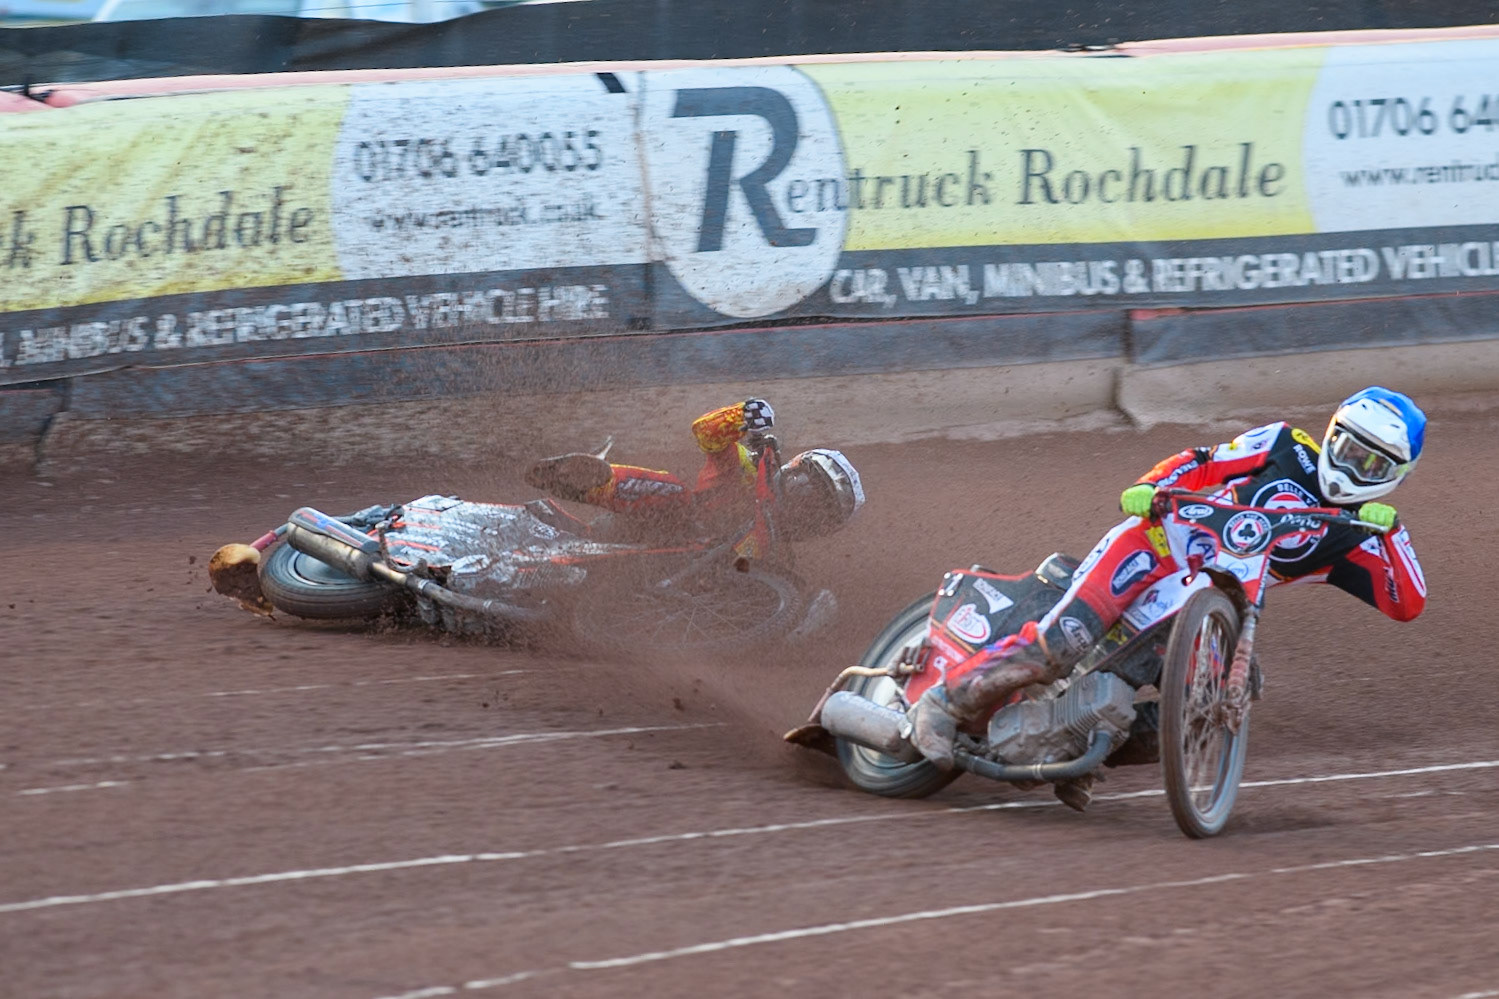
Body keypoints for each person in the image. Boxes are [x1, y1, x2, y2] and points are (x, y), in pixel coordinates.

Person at [907, 386, 1429, 795]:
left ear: (1396, 477)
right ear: (1331, 432)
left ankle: (1079, 748)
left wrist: (1392, 532)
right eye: (1348, 448)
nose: (1354, 468)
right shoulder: (1285, 444)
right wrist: (1152, 485)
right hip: (1158, 543)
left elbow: (1408, 603)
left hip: (1218, 601)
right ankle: (943, 702)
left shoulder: (1356, 533)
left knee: (1223, 698)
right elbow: (1203, 460)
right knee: (1064, 639)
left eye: (1374, 464)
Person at [524, 398, 864, 543]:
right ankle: (590, 482)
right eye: (808, 488)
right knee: (676, 493)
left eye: (818, 507)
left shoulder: (775, 552)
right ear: (794, 468)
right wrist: (744, 416)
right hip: (655, 526)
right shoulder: (750, 467)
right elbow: (705, 432)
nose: (806, 503)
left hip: (676, 595)